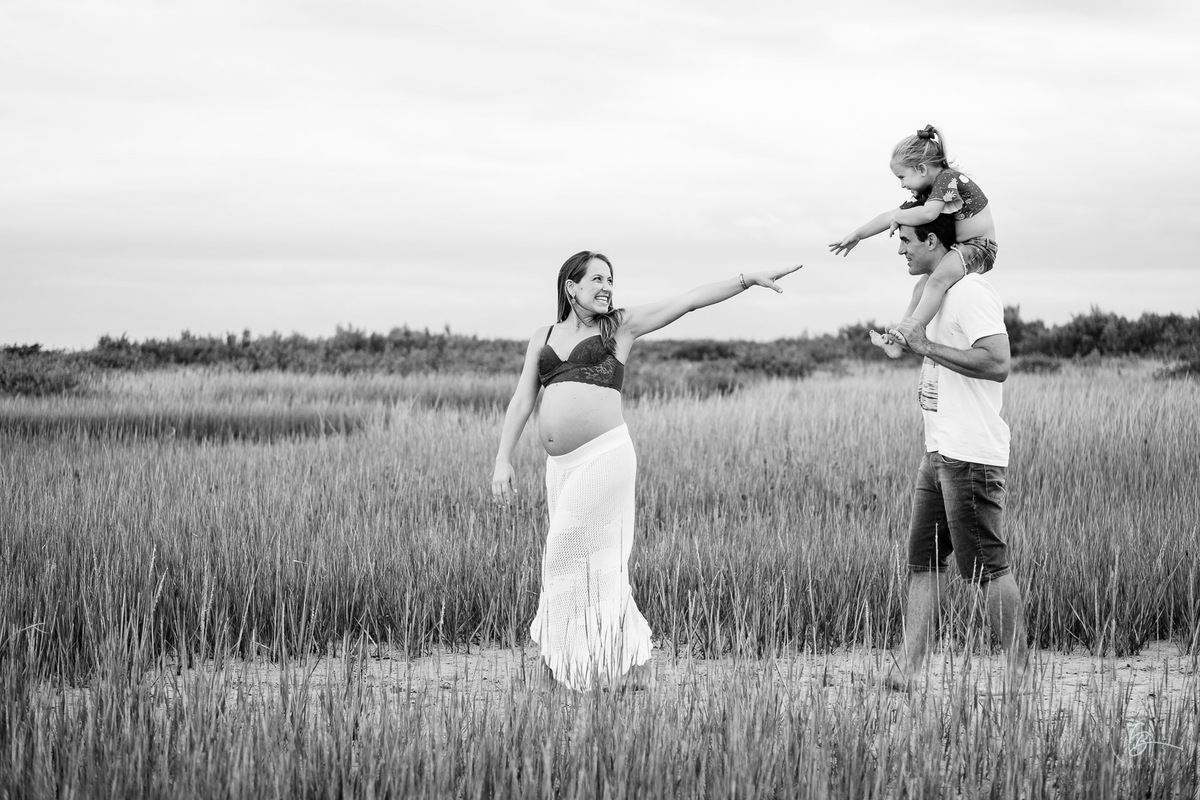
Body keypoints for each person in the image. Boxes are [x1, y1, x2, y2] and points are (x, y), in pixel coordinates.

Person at [491, 251, 800, 691]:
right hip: (559, 467)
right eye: (596, 279)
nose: (606, 287)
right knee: (593, 565)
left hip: (605, 458)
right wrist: (503, 458)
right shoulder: (543, 335)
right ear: (570, 287)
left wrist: (746, 279)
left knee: (561, 557)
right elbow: (523, 401)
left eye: (610, 280)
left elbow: (689, 301)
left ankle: (559, 667)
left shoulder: (620, 326)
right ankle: (628, 666)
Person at [883, 213, 1029, 694]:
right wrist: (906, 343)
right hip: (938, 450)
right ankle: (907, 673)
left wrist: (926, 345)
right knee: (922, 562)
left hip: (970, 453)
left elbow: (998, 362)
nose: (901, 250)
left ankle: (1018, 677)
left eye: (905, 241)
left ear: (931, 239)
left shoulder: (969, 292)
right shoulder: (935, 293)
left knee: (986, 567)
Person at [829, 124, 997, 359]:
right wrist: (859, 234)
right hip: (959, 248)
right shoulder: (930, 189)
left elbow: (927, 215)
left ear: (920, 168)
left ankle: (913, 331)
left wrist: (899, 216)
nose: (901, 184)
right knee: (921, 286)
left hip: (979, 247)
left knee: (937, 280)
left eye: (902, 177)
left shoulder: (947, 179)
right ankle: (899, 339)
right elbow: (891, 214)